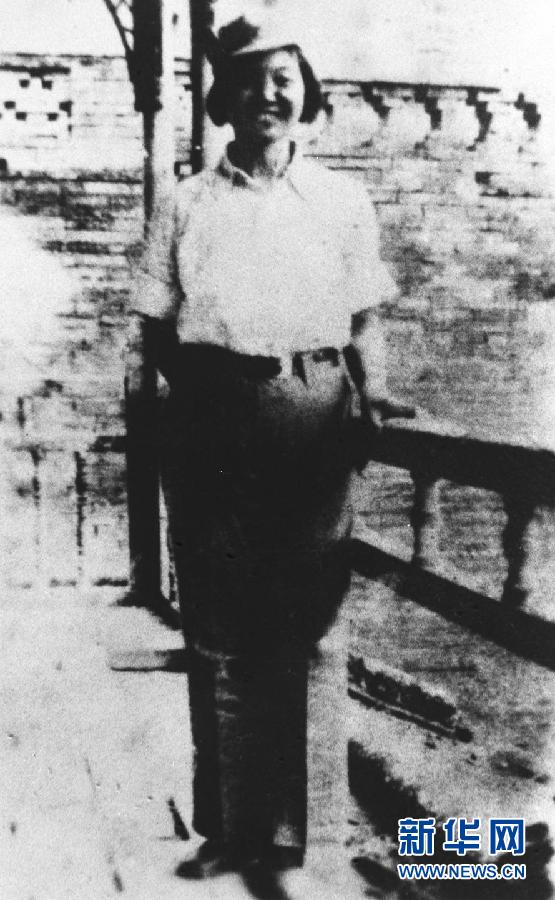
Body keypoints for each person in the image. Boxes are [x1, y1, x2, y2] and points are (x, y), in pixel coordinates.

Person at [127, 11, 413, 896]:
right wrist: (179, 404)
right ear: (223, 98)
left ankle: (307, 835)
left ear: (306, 93)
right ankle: (231, 830)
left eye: (283, 77)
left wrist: (374, 392)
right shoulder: (185, 202)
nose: (268, 93)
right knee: (220, 629)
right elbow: (152, 325)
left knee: (311, 624)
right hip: (209, 416)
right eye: (249, 79)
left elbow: (362, 319)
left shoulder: (340, 199)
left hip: (312, 411)